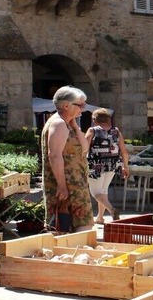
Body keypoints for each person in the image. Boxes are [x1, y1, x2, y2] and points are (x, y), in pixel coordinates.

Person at [41, 86, 92, 233]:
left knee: (80, 223)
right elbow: (54, 155)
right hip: (68, 185)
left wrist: (75, 126)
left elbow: (84, 148)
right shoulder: (58, 124)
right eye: (80, 105)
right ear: (66, 105)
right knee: (70, 225)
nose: (83, 108)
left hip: (76, 184)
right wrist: (62, 185)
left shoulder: (67, 123)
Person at [86, 108, 128, 224]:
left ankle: (111, 209)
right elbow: (124, 151)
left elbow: (84, 148)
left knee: (96, 193)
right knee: (103, 191)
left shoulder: (92, 130)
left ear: (94, 119)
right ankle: (100, 217)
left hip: (96, 165)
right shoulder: (116, 131)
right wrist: (125, 167)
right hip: (113, 164)